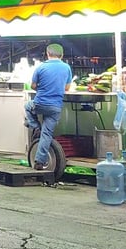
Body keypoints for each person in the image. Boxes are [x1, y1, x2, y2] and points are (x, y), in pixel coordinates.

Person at [24, 43, 73, 171]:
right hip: (55, 107)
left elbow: (33, 86)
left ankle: (35, 127)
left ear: (47, 54)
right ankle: (39, 162)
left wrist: (43, 88)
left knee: (27, 106)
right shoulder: (66, 67)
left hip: (39, 104)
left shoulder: (41, 67)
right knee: (47, 134)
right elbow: (67, 88)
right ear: (62, 55)